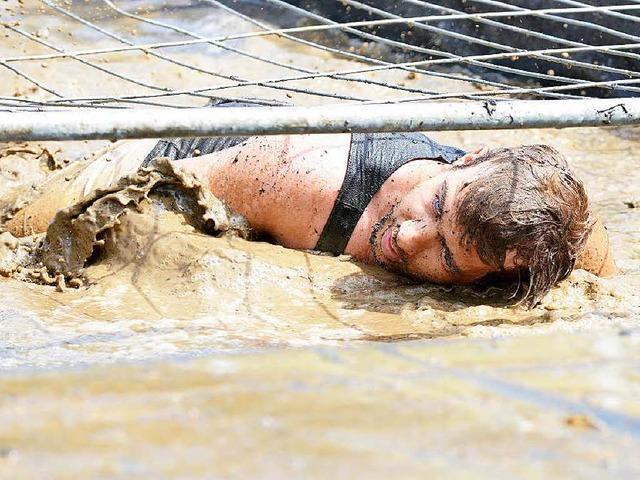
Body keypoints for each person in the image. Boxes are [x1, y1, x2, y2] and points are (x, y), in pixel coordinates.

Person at [3, 125, 615, 306]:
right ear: (468, 158)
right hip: (179, 151)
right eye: (434, 205)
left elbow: (601, 273)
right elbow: (115, 198)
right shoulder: (299, 180)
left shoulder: (558, 237)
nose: (407, 238)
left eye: (447, 256)